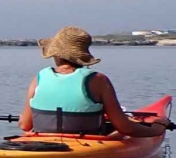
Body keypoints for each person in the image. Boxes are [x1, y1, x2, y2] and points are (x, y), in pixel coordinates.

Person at [19, 26, 169, 137]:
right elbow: (126, 128)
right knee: (118, 132)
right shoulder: (98, 80)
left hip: (43, 140)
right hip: (86, 142)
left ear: (55, 54)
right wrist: (157, 128)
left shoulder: (39, 78)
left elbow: (25, 124)